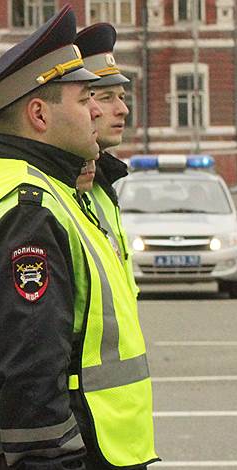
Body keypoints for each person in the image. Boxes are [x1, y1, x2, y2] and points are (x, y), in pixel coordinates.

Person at [0, 7, 157, 470]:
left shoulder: (42, 190)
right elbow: (31, 358)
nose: (98, 114)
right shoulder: (28, 209)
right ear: (39, 114)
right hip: (63, 469)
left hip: (70, 457)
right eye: (85, 101)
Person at [74, 23, 140, 296]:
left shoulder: (98, 182)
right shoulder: (68, 182)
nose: (123, 109)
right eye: (106, 97)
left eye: (122, 97)